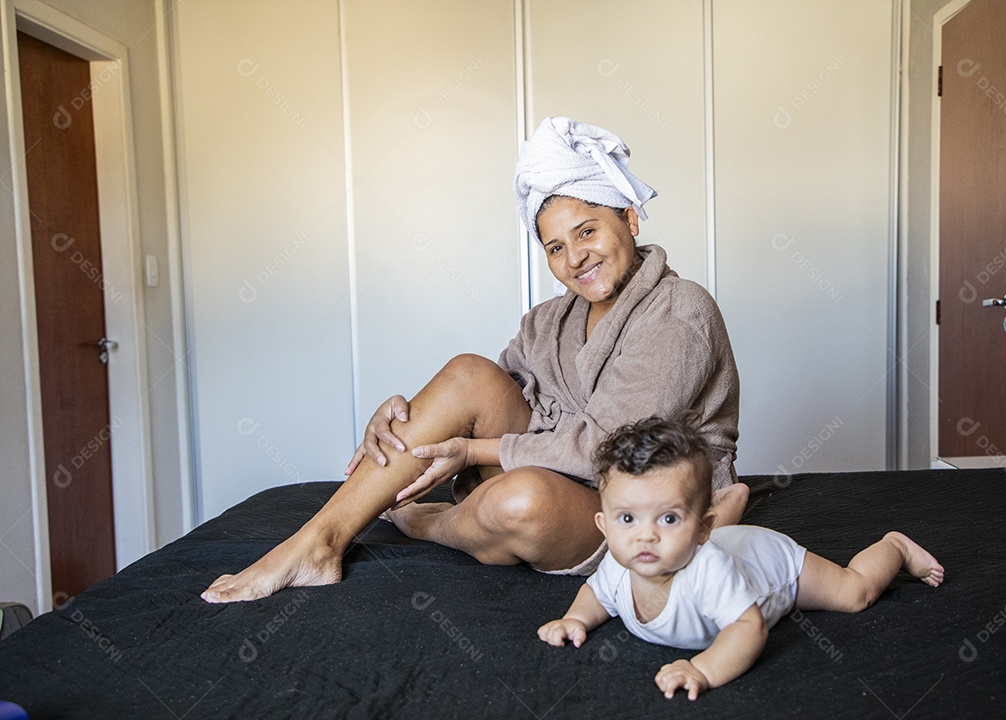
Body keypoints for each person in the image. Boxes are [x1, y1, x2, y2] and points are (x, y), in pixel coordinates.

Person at [201, 117, 745, 603]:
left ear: (629, 219)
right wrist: (402, 417)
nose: (575, 257)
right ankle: (318, 540)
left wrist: (471, 452)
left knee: (523, 501)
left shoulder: (679, 311)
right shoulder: (551, 320)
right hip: (562, 471)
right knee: (468, 370)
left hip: (644, 507)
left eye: (587, 231)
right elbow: (488, 395)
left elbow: (605, 448)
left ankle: (436, 525)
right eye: (555, 247)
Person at [537, 417, 945, 700]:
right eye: (627, 518)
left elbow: (748, 629)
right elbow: (596, 593)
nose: (646, 534)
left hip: (772, 565)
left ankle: (895, 547)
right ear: (604, 525)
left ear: (701, 528)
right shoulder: (618, 563)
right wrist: (576, 619)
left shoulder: (707, 570)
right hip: (729, 541)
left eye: (668, 517)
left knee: (855, 593)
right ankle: (730, 499)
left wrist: (703, 670)